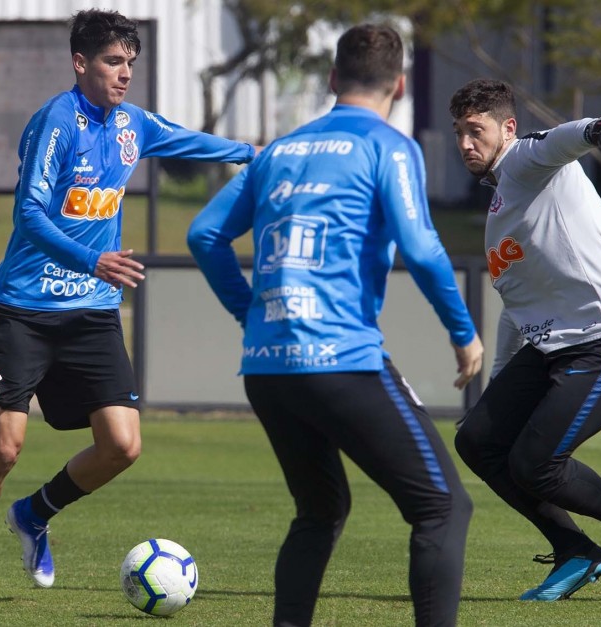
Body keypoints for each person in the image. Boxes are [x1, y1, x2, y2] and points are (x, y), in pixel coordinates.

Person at [0, 8, 257, 606]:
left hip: (90, 312)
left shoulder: (133, 124)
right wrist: (93, 260)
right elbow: (28, 215)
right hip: (24, 310)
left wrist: (256, 154)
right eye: (112, 61)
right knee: (3, 448)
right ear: (80, 63)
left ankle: (34, 514)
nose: (124, 73)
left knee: (123, 446)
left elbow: (193, 140)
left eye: (130, 62)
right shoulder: (55, 121)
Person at [188, 23, 484, 627]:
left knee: (320, 511)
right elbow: (422, 248)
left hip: (267, 370)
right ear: (399, 86)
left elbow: (204, 234)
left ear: (331, 79)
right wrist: (463, 330)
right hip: (341, 362)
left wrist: (249, 313)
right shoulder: (387, 146)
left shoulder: (278, 150)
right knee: (442, 508)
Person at [450, 78, 601, 602]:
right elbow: (518, 309)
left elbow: (557, 140)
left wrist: (596, 129)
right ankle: (575, 551)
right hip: (554, 345)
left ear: (506, 129)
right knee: (478, 440)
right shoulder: (502, 205)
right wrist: (494, 393)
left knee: (536, 463)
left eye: (477, 130)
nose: (466, 143)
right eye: (459, 132)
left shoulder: (524, 161)